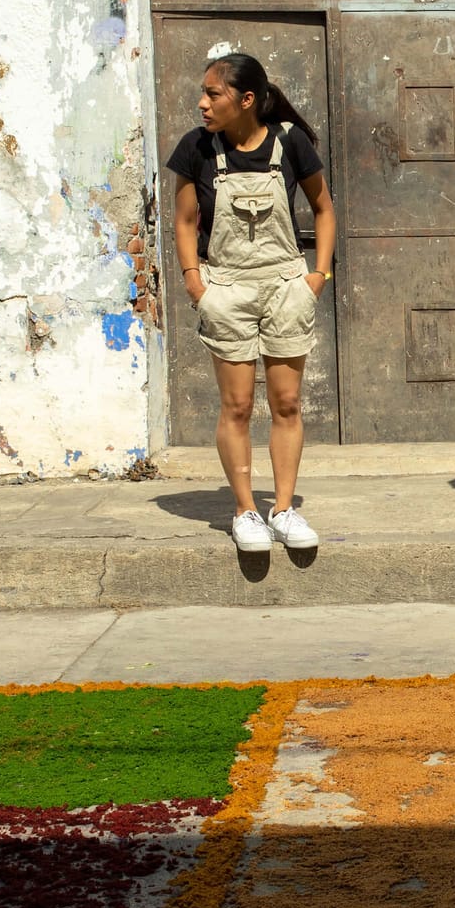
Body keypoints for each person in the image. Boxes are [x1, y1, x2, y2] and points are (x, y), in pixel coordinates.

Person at [166, 53, 337, 553]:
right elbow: (183, 221)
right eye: (203, 92)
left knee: (286, 402)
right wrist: (196, 283)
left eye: (212, 94)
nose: (202, 103)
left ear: (245, 100)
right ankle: (245, 512)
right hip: (226, 290)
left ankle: (283, 509)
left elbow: (324, 210)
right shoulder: (196, 148)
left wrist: (317, 276)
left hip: (286, 286)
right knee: (237, 405)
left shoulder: (290, 142)